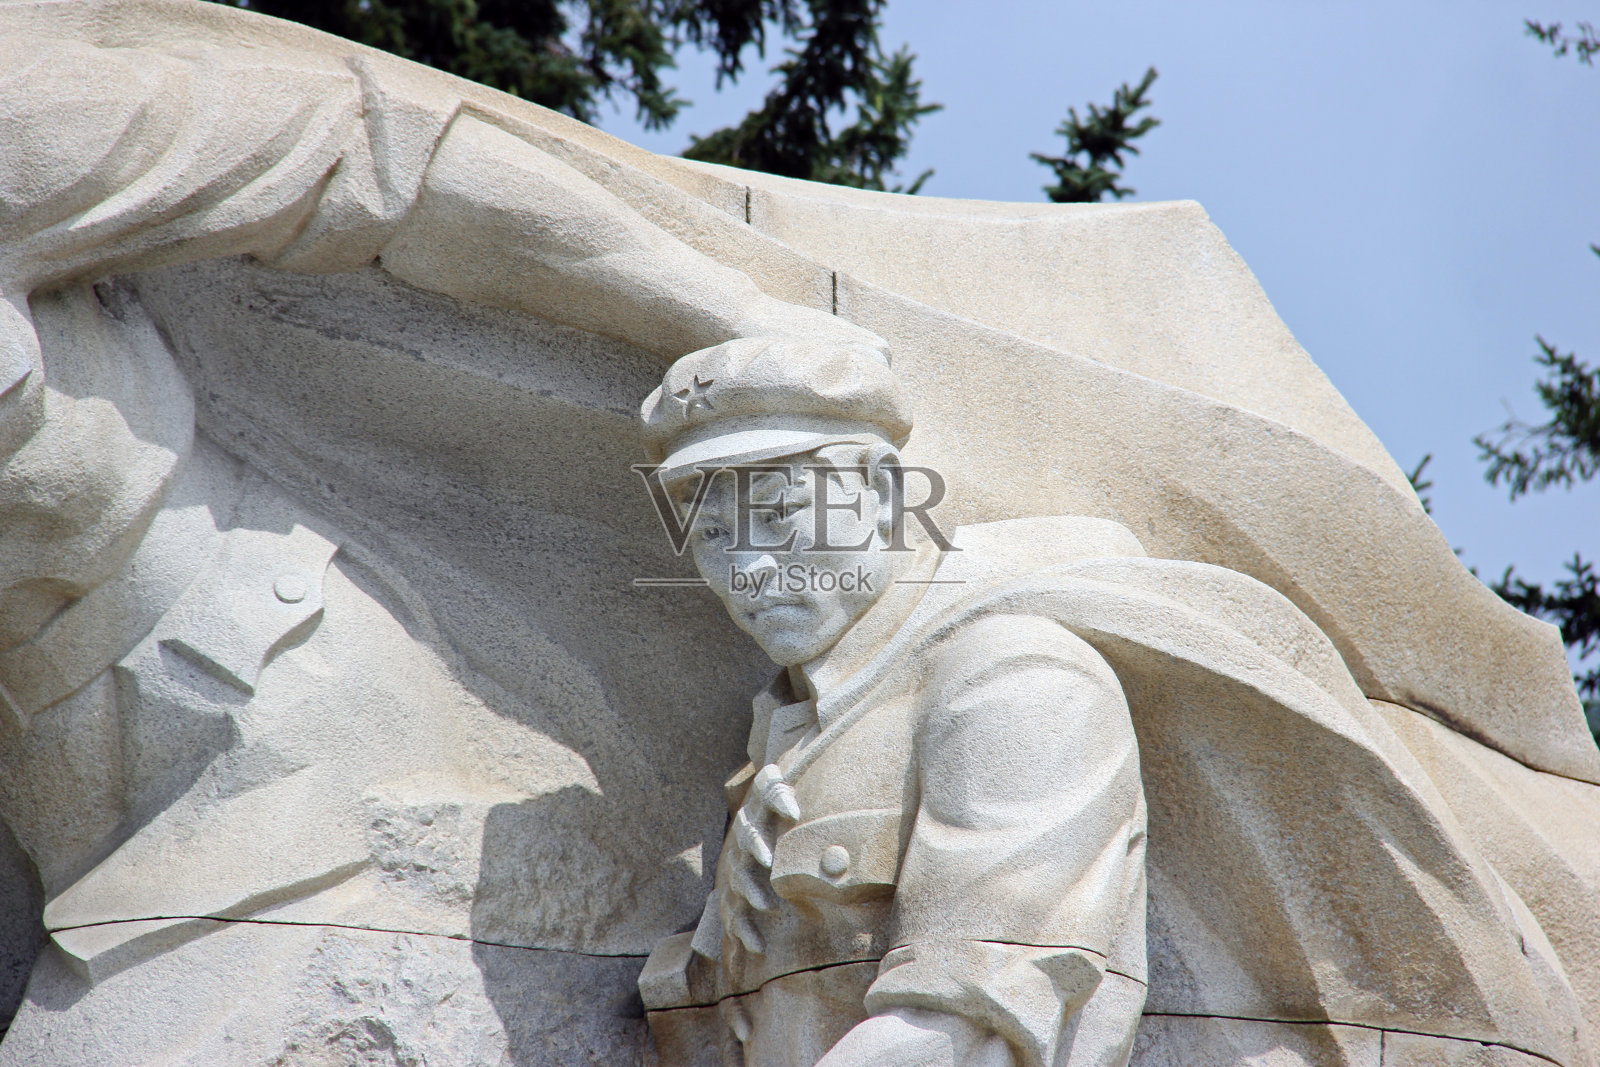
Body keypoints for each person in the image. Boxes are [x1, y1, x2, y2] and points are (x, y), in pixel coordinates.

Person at [636, 337, 1594, 1067]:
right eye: (715, 533)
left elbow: (974, 1020)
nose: (751, 568)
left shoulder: (1011, 677)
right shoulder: (785, 737)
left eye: (778, 517)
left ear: (885, 495)